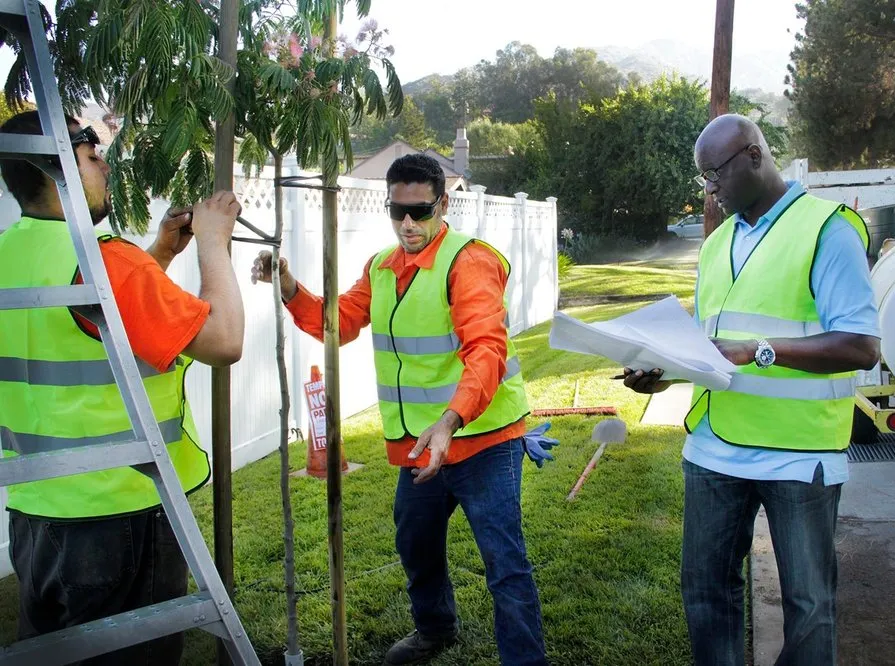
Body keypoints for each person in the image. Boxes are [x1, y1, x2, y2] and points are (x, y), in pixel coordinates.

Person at [250, 153, 548, 666]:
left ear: (443, 204)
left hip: (484, 442)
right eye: (397, 211)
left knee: (505, 563)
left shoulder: (469, 261)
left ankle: (526, 661)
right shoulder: (382, 268)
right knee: (416, 544)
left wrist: (449, 422)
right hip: (418, 445)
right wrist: (289, 285)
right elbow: (338, 322)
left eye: (420, 211)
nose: (407, 223)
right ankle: (435, 628)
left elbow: (486, 351)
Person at [622, 114, 881, 666]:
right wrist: (661, 373)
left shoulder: (826, 228)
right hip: (715, 448)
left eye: (714, 173)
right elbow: (708, 346)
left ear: (755, 156)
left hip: (798, 454)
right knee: (706, 592)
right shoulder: (717, 246)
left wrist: (758, 349)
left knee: (809, 606)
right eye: (703, 179)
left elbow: (861, 346)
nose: (709, 188)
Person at [0, 110, 245, 665]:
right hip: (121, 515)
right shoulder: (104, 258)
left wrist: (158, 256)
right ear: (55, 166)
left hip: (38, 514)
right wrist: (213, 243)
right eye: (92, 157)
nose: (106, 166)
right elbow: (224, 340)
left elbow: (92, 328)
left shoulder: (10, 254)